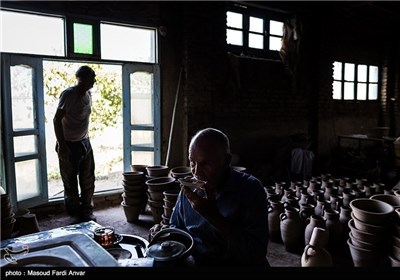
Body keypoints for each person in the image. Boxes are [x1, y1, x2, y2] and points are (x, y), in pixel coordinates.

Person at [169, 128, 269, 266]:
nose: (196, 172)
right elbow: (176, 229)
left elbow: (256, 253)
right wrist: (165, 234)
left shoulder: (251, 189)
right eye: (192, 163)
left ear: (226, 160)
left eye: (205, 164)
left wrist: (212, 216)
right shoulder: (189, 189)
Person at [53, 65, 97, 223]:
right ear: (83, 79)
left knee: (88, 178)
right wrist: (62, 145)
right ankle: (74, 214)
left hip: (84, 142)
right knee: (70, 181)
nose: (94, 80)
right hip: (69, 144)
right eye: (92, 77)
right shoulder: (69, 95)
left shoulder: (88, 94)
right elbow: (56, 119)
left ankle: (86, 211)